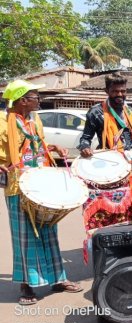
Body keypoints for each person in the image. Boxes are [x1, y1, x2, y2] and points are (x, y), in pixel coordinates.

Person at [0, 80, 83, 306]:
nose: (39, 99)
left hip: (41, 182)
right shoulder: (2, 122)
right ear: (22, 100)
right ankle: (26, 285)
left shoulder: (34, 119)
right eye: (35, 96)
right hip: (18, 186)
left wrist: (54, 147)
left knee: (48, 232)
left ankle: (58, 279)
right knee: (25, 237)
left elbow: (38, 144)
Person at [78, 72, 132, 156]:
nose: (119, 94)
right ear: (107, 91)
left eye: (123, 91)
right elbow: (85, 138)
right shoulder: (96, 113)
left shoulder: (131, 111)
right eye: (115, 91)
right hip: (111, 160)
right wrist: (85, 147)